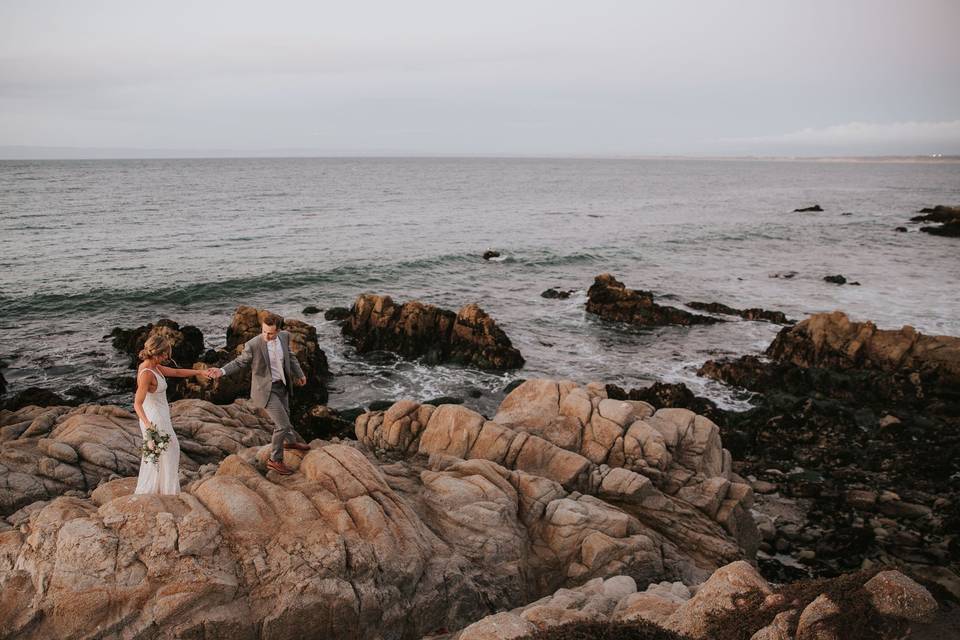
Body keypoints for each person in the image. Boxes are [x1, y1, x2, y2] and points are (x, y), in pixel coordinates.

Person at [207, 312, 307, 475]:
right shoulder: (253, 345)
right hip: (265, 391)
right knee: (282, 425)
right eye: (264, 332)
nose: (267, 336)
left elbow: (291, 356)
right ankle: (275, 460)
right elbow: (239, 363)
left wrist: (300, 374)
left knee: (286, 416)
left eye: (271, 333)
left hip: (282, 385)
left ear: (278, 331)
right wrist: (222, 371)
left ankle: (290, 443)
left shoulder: (285, 337)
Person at [132, 334, 211, 495]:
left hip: (161, 414)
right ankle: (165, 492)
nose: (168, 356)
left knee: (164, 453)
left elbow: (176, 372)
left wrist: (199, 372)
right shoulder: (147, 372)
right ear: (157, 353)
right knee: (169, 451)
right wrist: (147, 425)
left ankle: (163, 490)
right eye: (165, 353)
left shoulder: (155, 366)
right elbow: (137, 403)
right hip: (154, 419)